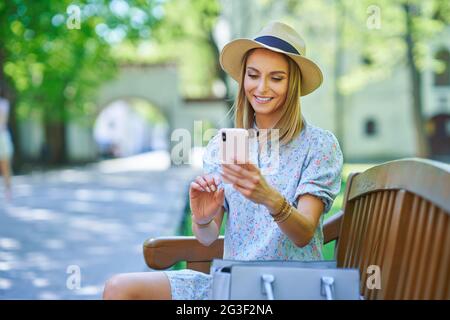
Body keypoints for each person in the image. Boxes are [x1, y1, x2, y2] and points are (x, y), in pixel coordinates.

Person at [102, 21, 343, 300]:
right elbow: (206, 238)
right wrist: (203, 219)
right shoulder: (224, 145)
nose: (261, 87)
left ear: (293, 84)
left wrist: (270, 198)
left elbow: (303, 234)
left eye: (276, 78)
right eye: (253, 75)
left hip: (289, 288)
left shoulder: (319, 145)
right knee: (118, 288)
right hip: (233, 287)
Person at [0, 95, 13, 201]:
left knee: (5, 165)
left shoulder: (3, 103)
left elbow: (2, 120)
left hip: (2, 137)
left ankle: (8, 190)